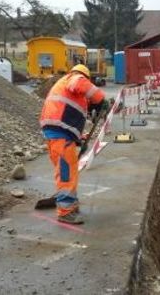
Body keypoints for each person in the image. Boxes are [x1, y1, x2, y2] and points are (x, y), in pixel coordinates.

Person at [39, 64, 106, 224]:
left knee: (67, 171)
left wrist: (77, 138)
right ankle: (65, 211)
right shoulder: (75, 78)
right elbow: (82, 86)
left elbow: (67, 116)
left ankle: (70, 205)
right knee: (66, 173)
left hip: (59, 133)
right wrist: (101, 98)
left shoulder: (67, 89)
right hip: (59, 134)